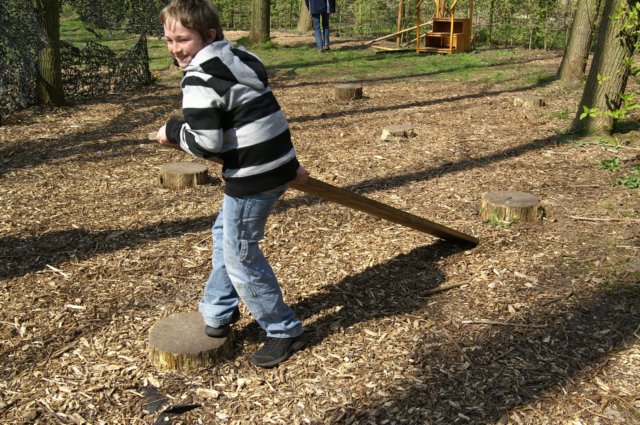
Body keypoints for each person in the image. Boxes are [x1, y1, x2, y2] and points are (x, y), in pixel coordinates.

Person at [155, 0, 308, 368]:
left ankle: (283, 328)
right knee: (226, 234)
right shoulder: (244, 57)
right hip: (277, 163)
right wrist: (291, 165)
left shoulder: (199, 78)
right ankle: (218, 310)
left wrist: (173, 131)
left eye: (183, 39)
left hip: (253, 175)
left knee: (240, 253)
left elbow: (208, 143)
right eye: (168, 40)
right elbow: (257, 113)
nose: (175, 48)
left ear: (208, 35)